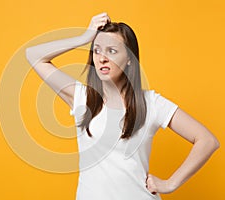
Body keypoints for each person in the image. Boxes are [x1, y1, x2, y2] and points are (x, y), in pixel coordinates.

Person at [25, 12, 219, 200]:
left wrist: (170, 183)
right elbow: (33, 55)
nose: (102, 58)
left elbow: (207, 140)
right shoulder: (82, 98)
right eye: (97, 50)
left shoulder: (151, 103)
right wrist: (84, 38)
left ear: (129, 60)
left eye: (112, 51)